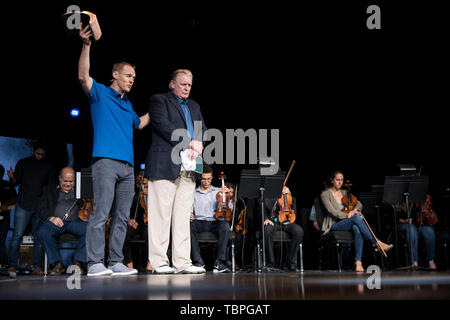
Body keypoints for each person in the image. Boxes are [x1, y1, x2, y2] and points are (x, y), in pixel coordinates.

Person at [78, 24, 150, 276]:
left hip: (128, 167)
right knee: (101, 213)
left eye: (134, 77)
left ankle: (116, 261)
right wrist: (86, 46)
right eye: (128, 75)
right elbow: (83, 77)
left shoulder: (127, 104)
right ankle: (95, 263)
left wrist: (161, 107)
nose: (132, 80)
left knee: (121, 217)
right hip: (105, 162)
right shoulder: (100, 93)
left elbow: (139, 123)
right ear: (115, 74)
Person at [144, 69, 207, 274]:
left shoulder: (195, 105)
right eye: (183, 84)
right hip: (165, 162)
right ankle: (159, 261)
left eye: (189, 85)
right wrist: (190, 142)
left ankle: (182, 262)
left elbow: (202, 130)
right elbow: (163, 125)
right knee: (161, 215)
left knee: (182, 216)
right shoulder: (159, 100)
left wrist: (199, 143)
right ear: (172, 84)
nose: (187, 88)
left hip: (190, 165)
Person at [321, 170, 393, 272]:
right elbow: (333, 212)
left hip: (349, 222)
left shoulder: (345, 193)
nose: (340, 182)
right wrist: (349, 214)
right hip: (334, 224)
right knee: (356, 218)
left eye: (341, 180)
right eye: (337, 180)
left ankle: (358, 262)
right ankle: (377, 243)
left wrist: (354, 210)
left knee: (356, 228)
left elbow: (360, 204)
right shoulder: (325, 195)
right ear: (332, 180)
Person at [7, 141, 56, 276]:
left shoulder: (49, 166)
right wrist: (12, 177)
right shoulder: (23, 163)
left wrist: (49, 207)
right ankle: (11, 265)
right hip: (23, 204)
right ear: (33, 150)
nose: (40, 156)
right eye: (38, 153)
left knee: (38, 237)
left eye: (42, 154)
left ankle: (36, 266)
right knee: (17, 235)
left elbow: (51, 187)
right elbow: (15, 183)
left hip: (40, 207)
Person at [36, 168, 87, 275]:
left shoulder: (81, 191)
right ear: (59, 179)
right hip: (56, 222)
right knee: (43, 231)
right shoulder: (49, 190)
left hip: (75, 222)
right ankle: (57, 264)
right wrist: (51, 218)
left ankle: (78, 263)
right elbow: (41, 208)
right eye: (65, 181)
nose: (68, 184)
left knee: (90, 229)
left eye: (71, 181)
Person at [190, 165, 232, 273]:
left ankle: (219, 262)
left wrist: (227, 196)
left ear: (212, 178)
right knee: (189, 225)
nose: (206, 181)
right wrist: (189, 214)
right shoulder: (193, 193)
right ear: (200, 178)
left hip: (214, 221)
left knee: (225, 226)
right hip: (199, 221)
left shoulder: (218, 191)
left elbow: (229, 208)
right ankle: (198, 261)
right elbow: (189, 209)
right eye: (204, 179)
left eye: (208, 179)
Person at [262, 186, 304, 271]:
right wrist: (266, 219)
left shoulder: (288, 196)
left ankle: (290, 262)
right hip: (272, 221)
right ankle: (270, 263)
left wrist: (289, 196)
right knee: (267, 229)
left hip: (286, 221)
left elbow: (293, 214)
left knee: (298, 231)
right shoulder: (266, 194)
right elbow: (262, 209)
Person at [396, 194, 438, 269]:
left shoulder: (417, 198)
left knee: (429, 230)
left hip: (418, 225)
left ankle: (431, 260)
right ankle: (414, 261)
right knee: (411, 228)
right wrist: (405, 220)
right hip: (403, 224)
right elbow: (396, 217)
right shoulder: (400, 197)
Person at [123, 173, 152, 273]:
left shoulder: (153, 194)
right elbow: (125, 210)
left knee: (149, 233)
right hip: (136, 223)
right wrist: (129, 220)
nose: (143, 186)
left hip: (149, 223)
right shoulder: (134, 194)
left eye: (145, 183)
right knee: (125, 232)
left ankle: (149, 262)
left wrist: (148, 196)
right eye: (140, 183)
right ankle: (128, 262)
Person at [0, 165, 17, 268]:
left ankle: (2, 262)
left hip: (4, 217)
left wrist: (7, 204)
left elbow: (15, 198)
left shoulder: (7, 185)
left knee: (1, 241)